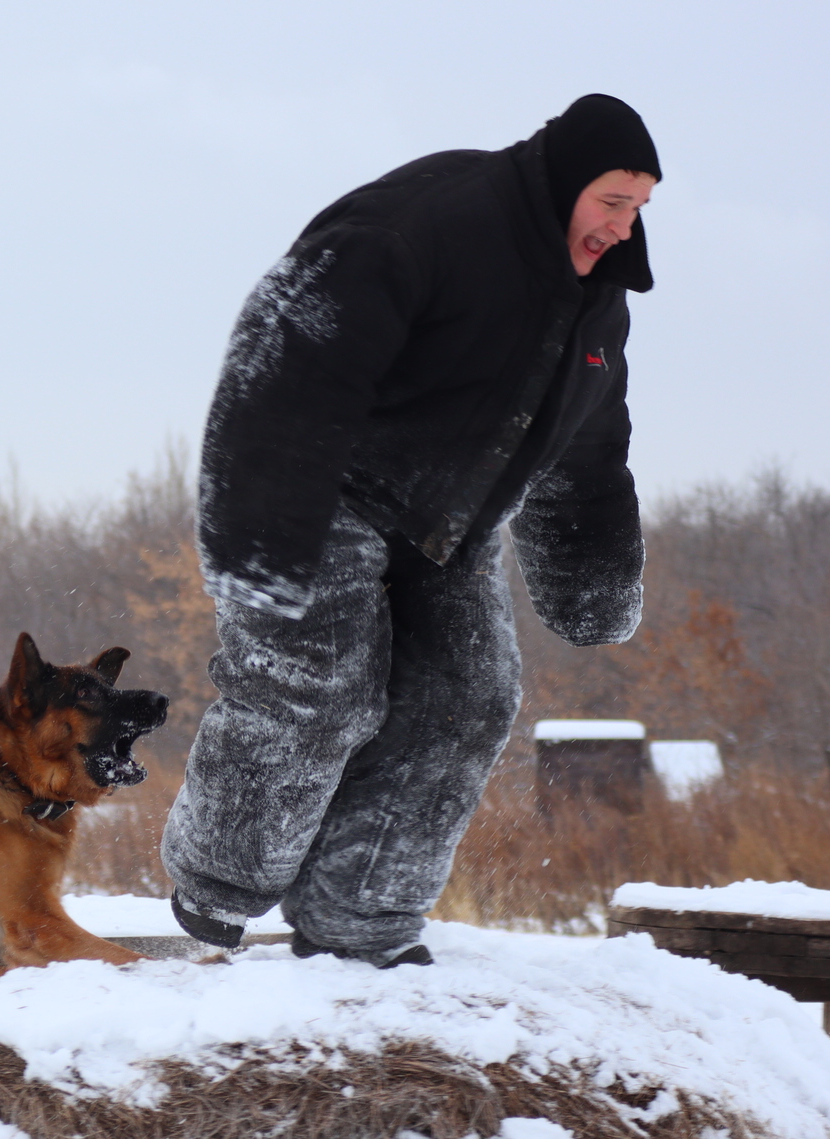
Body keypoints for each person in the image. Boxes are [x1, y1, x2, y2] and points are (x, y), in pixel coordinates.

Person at [162, 94, 660, 967]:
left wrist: (591, 583)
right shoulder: (427, 224)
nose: (622, 228)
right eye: (611, 202)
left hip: (446, 523)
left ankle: (360, 917)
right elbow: (285, 352)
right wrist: (262, 545)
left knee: (468, 697)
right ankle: (220, 883)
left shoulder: (597, 307)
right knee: (322, 683)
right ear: (566, 184)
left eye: (639, 211)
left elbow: (585, 446)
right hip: (328, 493)